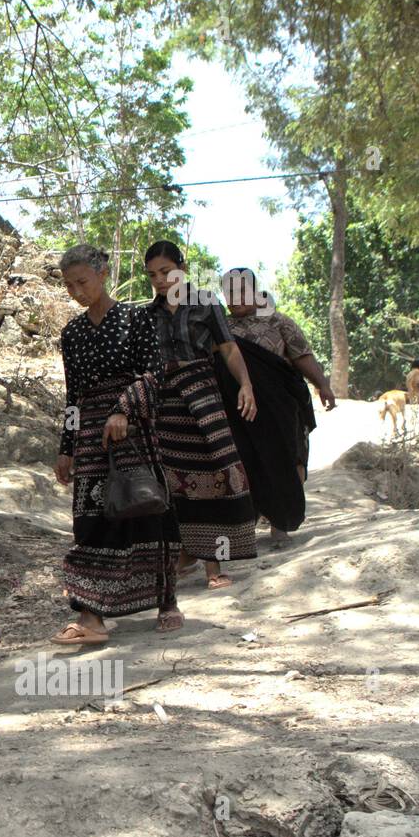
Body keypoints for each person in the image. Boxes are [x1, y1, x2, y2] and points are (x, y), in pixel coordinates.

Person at [52, 245, 183, 643]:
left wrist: (124, 408)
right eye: (70, 285)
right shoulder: (71, 333)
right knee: (91, 517)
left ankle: (167, 602)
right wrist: (66, 445)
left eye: (83, 282)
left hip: (134, 431)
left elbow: (154, 372)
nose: (77, 291)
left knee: (146, 508)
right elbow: (74, 393)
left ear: (104, 273)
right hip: (90, 434)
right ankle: (92, 617)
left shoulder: (137, 317)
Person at [143, 240, 258, 588]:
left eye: (165, 271)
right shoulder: (148, 315)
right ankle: (183, 554)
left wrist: (246, 385)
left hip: (204, 398)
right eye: (152, 275)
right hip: (166, 404)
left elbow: (228, 348)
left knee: (216, 475)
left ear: (182, 267)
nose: (160, 280)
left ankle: (215, 566)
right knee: (174, 481)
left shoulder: (206, 303)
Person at [218, 268, 333, 545]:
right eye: (229, 292)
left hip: (280, 408)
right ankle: (252, 519)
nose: (234, 298)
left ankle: (281, 523)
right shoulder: (220, 328)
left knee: (286, 460)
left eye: (241, 291)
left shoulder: (278, 322)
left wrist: (323, 384)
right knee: (247, 463)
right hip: (239, 410)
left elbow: (302, 355)